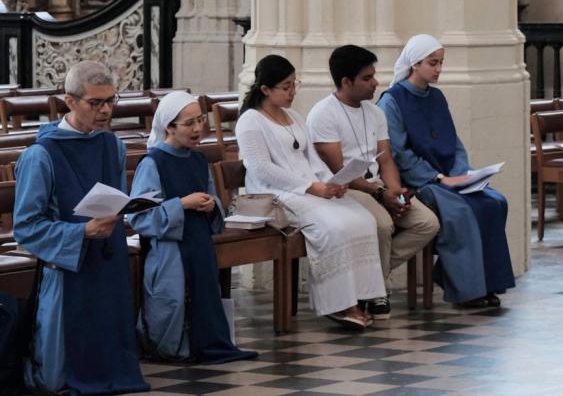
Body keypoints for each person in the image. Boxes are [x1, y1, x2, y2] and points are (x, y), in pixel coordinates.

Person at [14, 61, 150, 394]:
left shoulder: (112, 145)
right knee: (61, 376)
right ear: (70, 101)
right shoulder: (40, 155)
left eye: (110, 101)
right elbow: (26, 227)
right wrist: (81, 232)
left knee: (114, 357)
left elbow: (115, 198)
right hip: (68, 266)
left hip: (108, 257)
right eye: (95, 103)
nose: (106, 111)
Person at [235, 55, 386, 330]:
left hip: (309, 189)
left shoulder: (293, 116)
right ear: (266, 89)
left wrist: (332, 182)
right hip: (275, 194)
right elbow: (261, 169)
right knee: (335, 226)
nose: (293, 92)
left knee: (363, 219)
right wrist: (311, 187)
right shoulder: (250, 121)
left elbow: (312, 160)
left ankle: (362, 297)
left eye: (295, 84)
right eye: (286, 86)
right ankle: (340, 305)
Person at [378, 34, 514, 308]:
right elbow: (400, 154)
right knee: (460, 212)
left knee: (495, 203)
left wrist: (464, 174)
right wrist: (441, 178)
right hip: (419, 183)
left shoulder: (437, 97)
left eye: (441, 63)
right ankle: (467, 290)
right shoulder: (391, 101)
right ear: (414, 64)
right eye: (433, 63)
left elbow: (454, 142)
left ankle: (486, 283)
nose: (438, 69)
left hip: (449, 179)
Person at [308, 45, 440, 320]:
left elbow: (387, 160)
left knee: (426, 223)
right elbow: (339, 170)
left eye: (374, 76)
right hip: (346, 190)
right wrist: (381, 194)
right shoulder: (323, 114)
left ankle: (373, 279)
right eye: (367, 78)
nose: (375, 83)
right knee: (382, 224)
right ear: (346, 82)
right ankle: (377, 292)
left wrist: (395, 192)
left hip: (377, 187)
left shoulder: (375, 112)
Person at [127, 92, 257, 363]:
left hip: (199, 243)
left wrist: (212, 207)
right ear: (169, 127)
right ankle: (173, 346)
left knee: (204, 296)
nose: (198, 129)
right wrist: (181, 204)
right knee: (174, 301)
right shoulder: (153, 163)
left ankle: (207, 342)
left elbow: (215, 202)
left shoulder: (199, 160)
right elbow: (139, 217)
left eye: (201, 120)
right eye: (189, 123)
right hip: (170, 249)